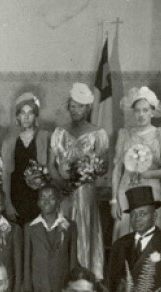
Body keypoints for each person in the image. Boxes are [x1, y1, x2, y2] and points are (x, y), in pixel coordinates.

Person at [49, 82, 109, 279]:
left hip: (85, 192)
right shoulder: (59, 133)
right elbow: (51, 165)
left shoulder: (97, 134)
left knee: (84, 230)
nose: (76, 110)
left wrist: (87, 172)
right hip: (63, 192)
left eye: (80, 106)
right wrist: (60, 183)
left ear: (88, 108)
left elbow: (103, 166)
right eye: (73, 106)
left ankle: (85, 277)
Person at [110, 86, 161, 242]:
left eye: (145, 110)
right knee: (125, 235)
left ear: (152, 112)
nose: (141, 114)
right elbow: (117, 169)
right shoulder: (124, 134)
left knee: (149, 236)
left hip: (151, 190)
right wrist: (114, 200)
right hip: (125, 189)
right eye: (137, 111)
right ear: (133, 112)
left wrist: (148, 174)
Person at [22, 184, 78, 292]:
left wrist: (72, 287)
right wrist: (27, 289)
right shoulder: (30, 227)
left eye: (52, 198)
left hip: (61, 288)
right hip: (38, 289)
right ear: (38, 202)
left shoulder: (69, 226)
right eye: (43, 198)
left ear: (59, 201)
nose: (47, 202)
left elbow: (72, 259)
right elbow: (27, 261)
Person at [2, 93, 51, 225]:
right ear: (17, 116)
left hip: (39, 197)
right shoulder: (9, 141)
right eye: (23, 113)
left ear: (35, 115)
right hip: (17, 196)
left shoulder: (45, 137)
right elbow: (6, 175)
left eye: (30, 113)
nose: (26, 117)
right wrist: (8, 205)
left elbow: (51, 170)